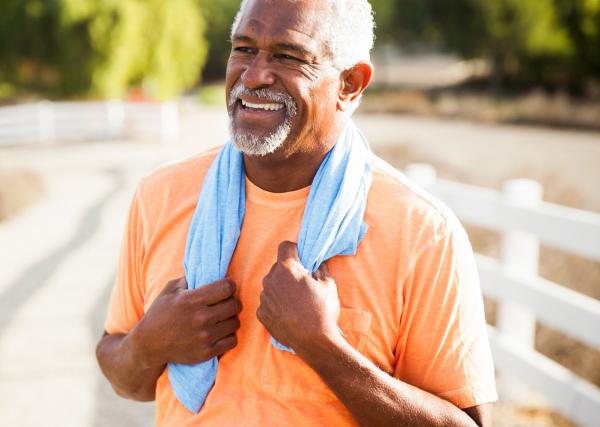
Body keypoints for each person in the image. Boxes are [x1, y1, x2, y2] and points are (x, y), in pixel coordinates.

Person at [96, 0, 497, 425]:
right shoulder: (161, 194)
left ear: (351, 84)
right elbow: (127, 379)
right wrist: (150, 344)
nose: (253, 76)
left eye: (287, 56)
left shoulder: (422, 232)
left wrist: (324, 347)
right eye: (244, 49)